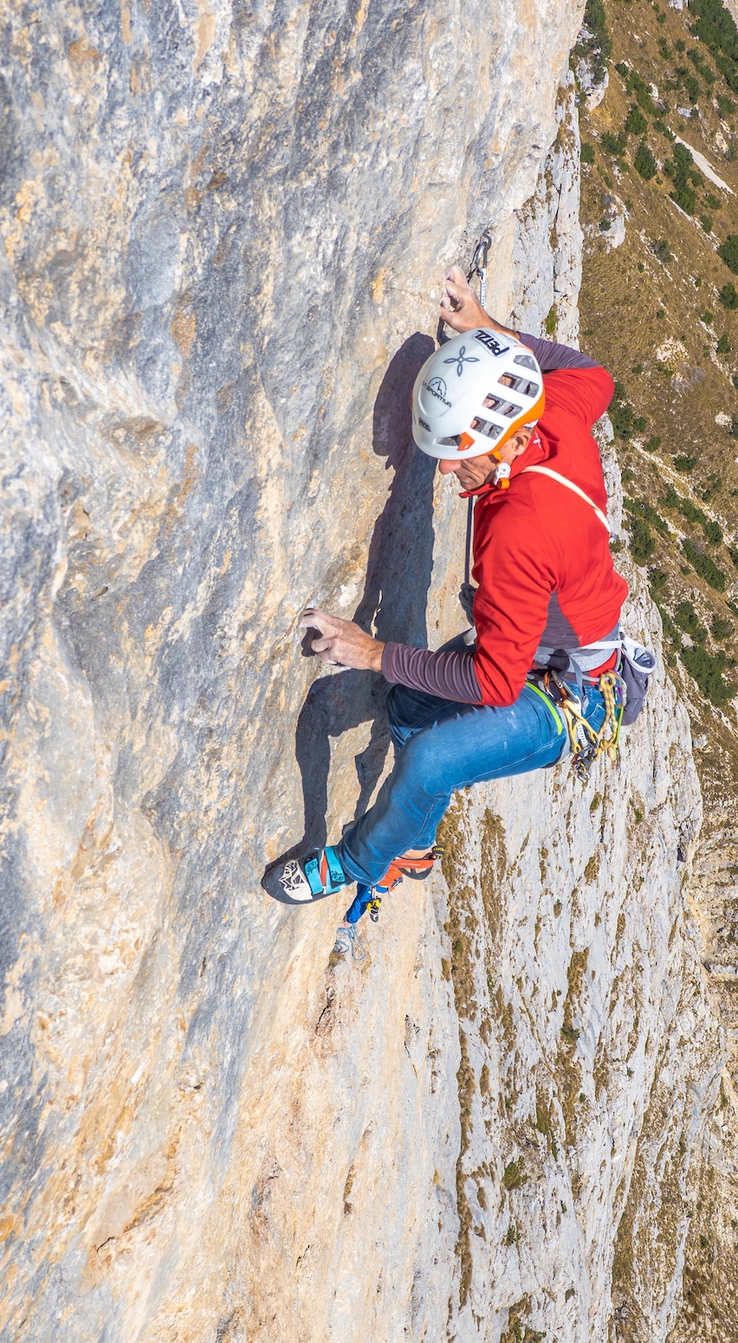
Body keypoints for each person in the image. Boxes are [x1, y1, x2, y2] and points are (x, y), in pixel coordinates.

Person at [263, 266, 639, 932]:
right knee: (409, 706)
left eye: (457, 450)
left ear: (505, 437)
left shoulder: (519, 530)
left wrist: (372, 650)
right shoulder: (551, 413)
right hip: (546, 647)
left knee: (430, 758)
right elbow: (596, 376)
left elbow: (495, 684)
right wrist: (488, 332)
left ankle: (358, 861)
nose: (443, 467)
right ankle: (411, 844)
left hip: (567, 696)